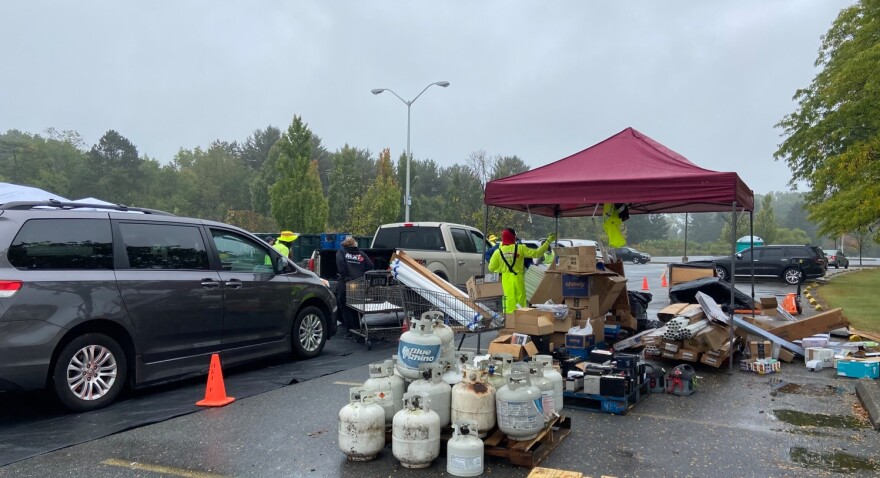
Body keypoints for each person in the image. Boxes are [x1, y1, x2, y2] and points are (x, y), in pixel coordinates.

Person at [488, 228, 555, 314]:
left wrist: (504, 269)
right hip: (519, 279)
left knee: (508, 302)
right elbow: (537, 253)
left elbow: (491, 268)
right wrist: (548, 241)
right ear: (513, 237)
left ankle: (509, 323)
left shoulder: (498, 252)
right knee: (520, 303)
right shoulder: (520, 248)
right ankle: (521, 322)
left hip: (506, 280)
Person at [336, 236, 374, 331]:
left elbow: (341, 266)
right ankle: (357, 326)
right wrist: (361, 273)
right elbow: (370, 265)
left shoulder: (341, 252)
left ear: (344, 244)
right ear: (355, 244)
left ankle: (350, 329)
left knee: (345, 306)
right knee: (358, 306)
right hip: (359, 283)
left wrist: (346, 277)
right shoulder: (361, 254)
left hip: (346, 283)